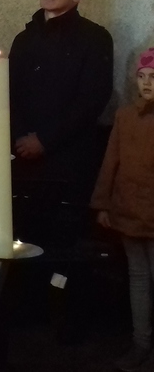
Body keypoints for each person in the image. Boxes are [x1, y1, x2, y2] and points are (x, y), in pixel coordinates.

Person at [9, 0, 113, 200]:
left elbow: (93, 98)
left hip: (68, 155)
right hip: (21, 150)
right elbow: (7, 91)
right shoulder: (24, 39)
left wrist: (44, 140)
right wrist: (20, 136)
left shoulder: (95, 38)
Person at [90, 48, 154, 372]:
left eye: (153, 77)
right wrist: (102, 202)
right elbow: (110, 160)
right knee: (138, 278)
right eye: (142, 76)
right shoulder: (125, 116)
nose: (146, 83)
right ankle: (141, 342)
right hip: (129, 210)